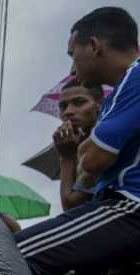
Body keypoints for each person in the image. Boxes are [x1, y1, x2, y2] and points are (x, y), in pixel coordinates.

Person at [16, 7, 140, 275]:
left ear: (94, 45)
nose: (71, 64)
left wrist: (87, 154)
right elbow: (75, 201)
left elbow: (96, 157)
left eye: (72, 53)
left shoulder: (135, 78)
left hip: (131, 208)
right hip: (114, 207)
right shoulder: (120, 90)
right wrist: (72, 157)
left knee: (11, 257)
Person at [54, 79, 105, 210]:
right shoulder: (78, 145)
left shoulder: (104, 142)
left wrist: (66, 157)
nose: (68, 112)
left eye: (79, 102)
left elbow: (70, 206)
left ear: (99, 105)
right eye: (63, 106)